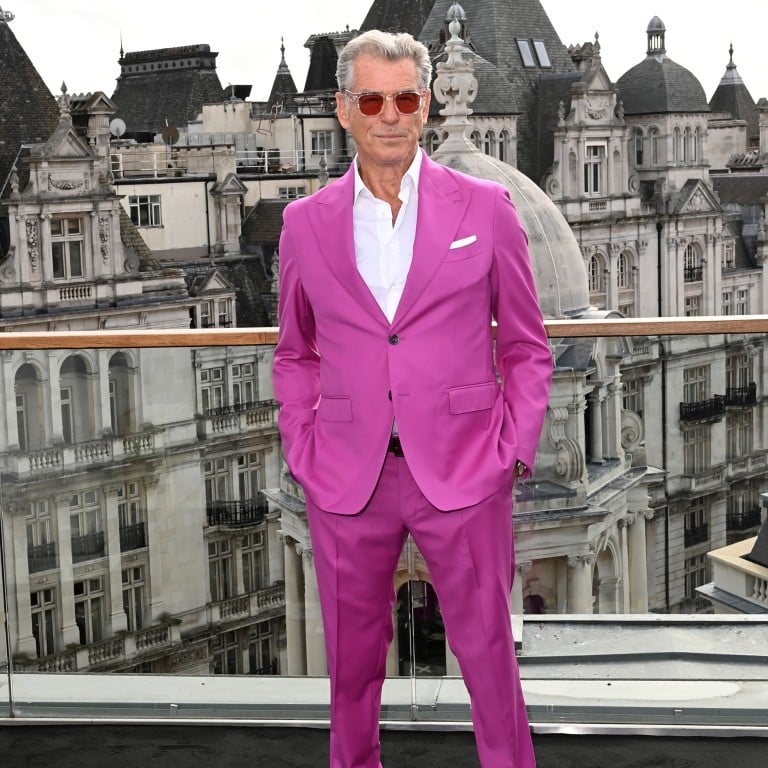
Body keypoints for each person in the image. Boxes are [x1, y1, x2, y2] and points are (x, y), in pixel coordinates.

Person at [273, 29, 552, 768]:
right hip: (347, 477)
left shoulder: (489, 209)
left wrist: (512, 452)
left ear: (426, 106)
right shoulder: (303, 225)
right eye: (372, 99)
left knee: (492, 664)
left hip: (465, 472)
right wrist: (302, 447)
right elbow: (294, 352)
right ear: (343, 110)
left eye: (404, 98)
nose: (389, 115)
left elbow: (525, 345)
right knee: (352, 672)